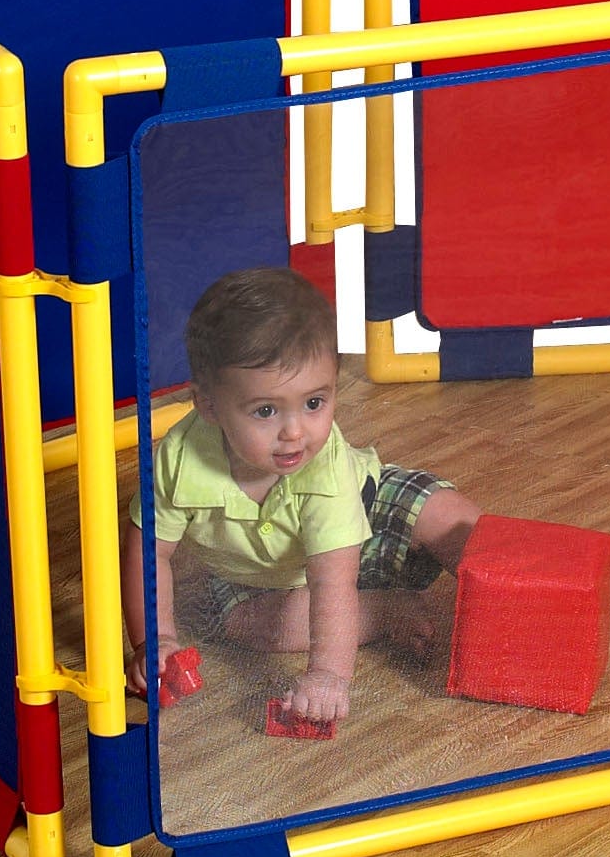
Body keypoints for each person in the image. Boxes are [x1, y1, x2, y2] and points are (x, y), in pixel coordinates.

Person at [120, 265, 482, 725]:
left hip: (367, 515)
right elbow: (148, 553)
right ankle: (382, 612)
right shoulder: (177, 460)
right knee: (250, 626)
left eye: (314, 403)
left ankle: (505, 589)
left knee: (448, 517)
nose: (295, 432)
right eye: (265, 411)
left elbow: (332, 579)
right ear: (209, 404)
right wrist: (154, 640)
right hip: (266, 576)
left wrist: (329, 675)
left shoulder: (325, 470)